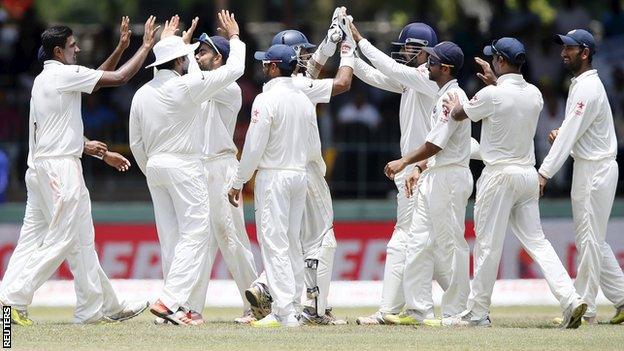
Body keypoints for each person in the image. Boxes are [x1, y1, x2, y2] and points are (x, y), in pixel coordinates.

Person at [0, 16, 159, 325]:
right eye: (73, 46)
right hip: (59, 169)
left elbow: (94, 78)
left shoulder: (46, 79)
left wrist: (121, 46)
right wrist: (145, 46)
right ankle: (11, 298)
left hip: (44, 167)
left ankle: (97, 307)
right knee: (63, 238)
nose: (78, 50)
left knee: (72, 240)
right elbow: (120, 78)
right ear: (59, 51)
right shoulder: (62, 75)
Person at [440, 37, 586, 328]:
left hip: (499, 176)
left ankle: (477, 313)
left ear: (501, 62)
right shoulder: (535, 94)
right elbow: (507, 99)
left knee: (487, 245)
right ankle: (571, 298)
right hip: (527, 175)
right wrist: (495, 83)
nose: (492, 62)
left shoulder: (490, 95)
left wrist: (458, 100)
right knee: (537, 241)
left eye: (494, 58)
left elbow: (459, 114)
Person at [129, 11, 244, 325]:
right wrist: (235, 38)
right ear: (180, 62)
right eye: (187, 57)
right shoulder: (189, 87)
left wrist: (151, 168)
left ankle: (176, 310)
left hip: (154, 168)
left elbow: (136, 143)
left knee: (172, 238)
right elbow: (236, 68)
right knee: (196, 233)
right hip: (184, 166)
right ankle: (171, 302)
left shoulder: (141, 94)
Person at [244, 8, 354, 325]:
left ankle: (270, 287)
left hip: (285, 173)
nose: (307, 57)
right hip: (305, 174)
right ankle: (312, 309)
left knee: (290, 240)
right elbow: (342, 82)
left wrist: (331, 39)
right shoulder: (298, 86)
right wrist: (347, 48)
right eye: (302, 52)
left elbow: (314, 66)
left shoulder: (293, 83)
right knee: (320, 240)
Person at [347, 19, 453, 325]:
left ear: (423, 51)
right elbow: (377, 76)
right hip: (418, 170)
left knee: (406, 239)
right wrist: (347, 53)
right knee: (423, 242)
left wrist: (361, 41)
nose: (404, 51)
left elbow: (391, 71)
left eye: (408, 47)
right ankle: (461, 305)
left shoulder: (426, 77)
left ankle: (391, 310)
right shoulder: (414, 77)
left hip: (421, 170)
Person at [538, 29, 624, 325]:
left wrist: (544, 173)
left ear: (584, 52)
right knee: (592, 240)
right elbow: (576, 130)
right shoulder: (581, 85)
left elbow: (572, 133)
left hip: (595, 170)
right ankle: (623, 298)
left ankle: (584, 308)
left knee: (589, 240)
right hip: (590, 167)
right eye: (562, 48)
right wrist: (563, 134)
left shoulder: (588, 87)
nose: (563, 53)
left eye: (569, 48)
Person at [227, 43, 316, 328]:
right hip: (298, 174)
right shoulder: (303, 98)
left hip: (274, 176)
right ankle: (293, 307)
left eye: (266, 63)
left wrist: (238, 181)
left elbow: (253, 146)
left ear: (275, 66)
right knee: (291, 241)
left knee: (274, 242)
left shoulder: (266, 100)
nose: (263, 67)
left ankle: (284, 312)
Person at [383, 41, 472, 324]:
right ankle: (419, 310)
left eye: (432, 62)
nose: (427, 65)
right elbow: (436, 143)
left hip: (449, 176)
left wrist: (404, 162)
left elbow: (435, 143)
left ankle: (458, 310)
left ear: (445, 68)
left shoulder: (452, 97)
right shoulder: (443, 94)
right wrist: (420, 168)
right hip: (435, 173)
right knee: (418, 241)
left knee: (450, 244)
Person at [180, 29, 260, 325]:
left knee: (232, 236)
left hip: (222, 166)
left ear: (219, 57)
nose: (198, 56)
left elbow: (201, 76)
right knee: (200, 239)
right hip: (199, 168)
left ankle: (257, 303)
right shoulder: (200, 87)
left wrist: (184, 48)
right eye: (197, 51)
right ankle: (193, 309)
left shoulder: (229, 88)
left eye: (203, 51)